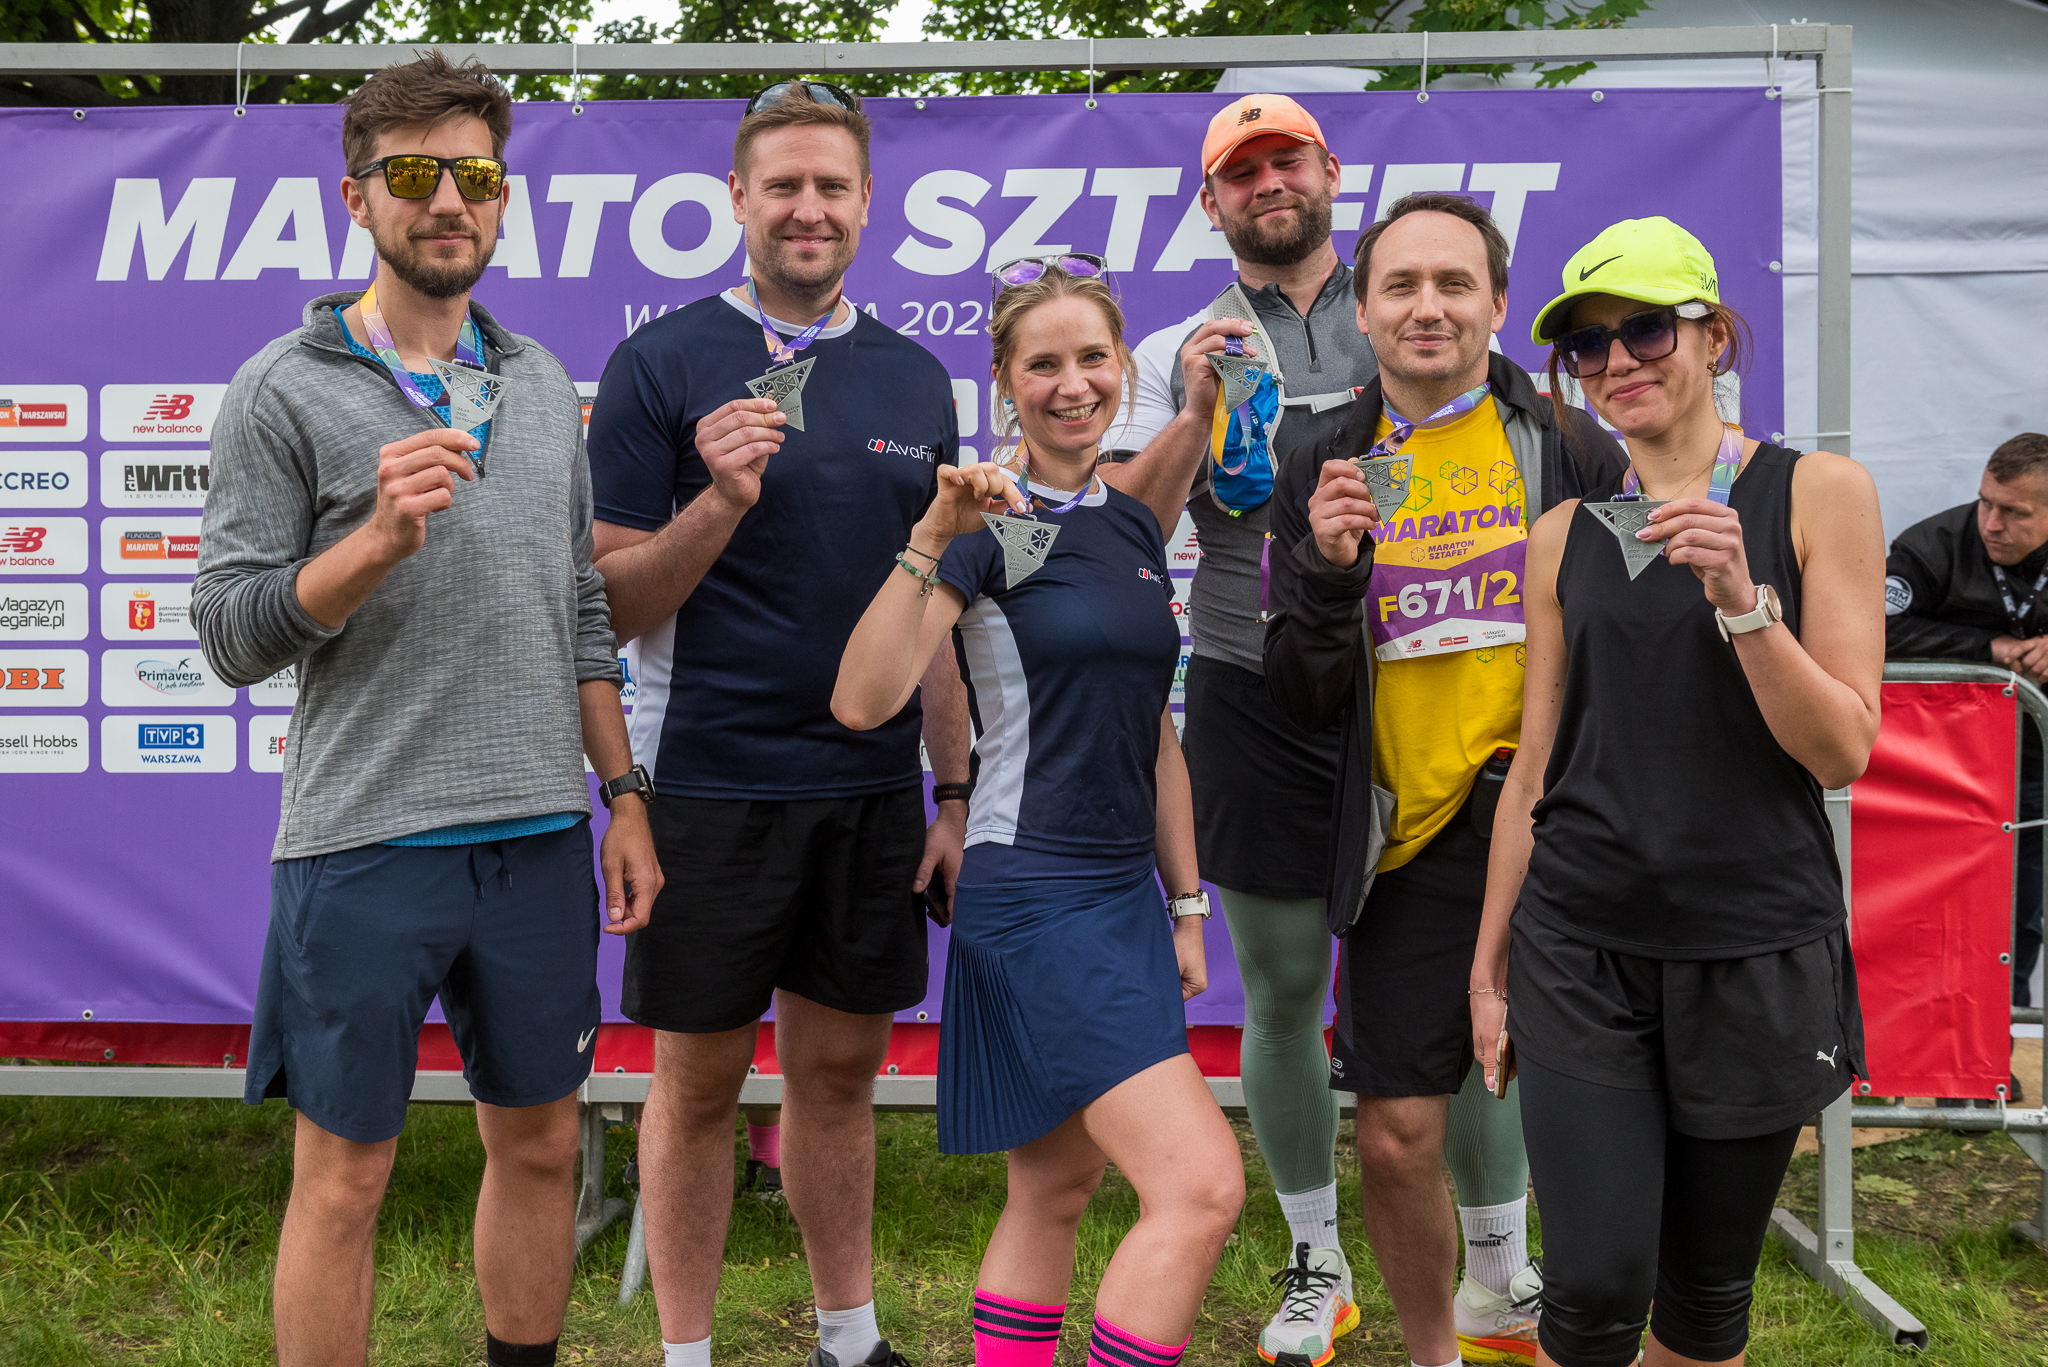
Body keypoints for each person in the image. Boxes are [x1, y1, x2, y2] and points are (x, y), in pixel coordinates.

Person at [193, 54, 659, 1367]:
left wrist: (623, 796)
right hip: (363, 840)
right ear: (357, 196)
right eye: (412, 173)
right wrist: (374, 542)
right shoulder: (282, 384)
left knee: (543, 1140)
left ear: (501, 198)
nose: (447, 199)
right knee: (344, 1175)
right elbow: (229, 632)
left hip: (537, 835)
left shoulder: (540, 380)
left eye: (475, 175)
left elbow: (579, 606)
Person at [583, 81, 971, 1367]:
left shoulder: (913, 376)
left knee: (839, 1079)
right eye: (784, 185)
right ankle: (684, 1352)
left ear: (866, 204)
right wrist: (719, 499)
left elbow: (931, 608)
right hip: (706, 785)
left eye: (831, 186)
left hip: (868, 792)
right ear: (738, 198)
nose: (809, 208)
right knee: (695, 1086)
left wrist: (950, 792)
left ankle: (847, 1340)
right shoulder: (661, 361)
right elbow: (610, 602)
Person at [1469, 216, 1884, 1367]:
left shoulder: (1816, 492)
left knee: (1701, 1306)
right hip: (1579, 944)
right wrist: (1487, 968)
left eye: (1645, 329)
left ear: (1711, 336)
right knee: (1593, 1286)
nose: (1615, 361)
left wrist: (1743, 604)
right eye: (1585, 345)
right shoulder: (1560, 533)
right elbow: (1535, 763)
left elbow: (1841, 749)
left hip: (1750, 943)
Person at [833, 260, 1245, 1367]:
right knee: (1201, 1185)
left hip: (1120, 894)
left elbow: (1152, 731)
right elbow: (863, 699)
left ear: (1123, 368)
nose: (1073, 384)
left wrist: (1187, 904)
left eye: (1092, 358)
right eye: (1044, 364)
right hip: (1033, 894)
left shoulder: (1129, 522)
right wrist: (931, 534)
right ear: (1005, 382)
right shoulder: (979, 521)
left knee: (1056, 1184)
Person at [1260, 191, 1626, 1367]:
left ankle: (1562, 1312)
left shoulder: (1568, 445)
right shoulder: (1320, 455)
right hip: (1405, 838)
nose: (1428, 306)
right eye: (1402, 285)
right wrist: (1327, 571)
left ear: (1497, 304)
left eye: (1454, 283)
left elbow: (1627, 644)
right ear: (1361, 312)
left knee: (1595, 1115)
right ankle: (1433, 1354)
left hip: (1561, 825)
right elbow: (1298, 690)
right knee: (1395, 1135)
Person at [1884, 431, 2048, 1027]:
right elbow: (1877, 629)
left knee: (2020, 912)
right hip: (1943, 772)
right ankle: (1924, 1039)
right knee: (1932, 911)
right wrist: (1987, 649)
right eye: (1985, 502)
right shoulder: (1931, 546)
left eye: (2014, 512)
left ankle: (2007, 1036)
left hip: (2033, 768)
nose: (1992, 523)